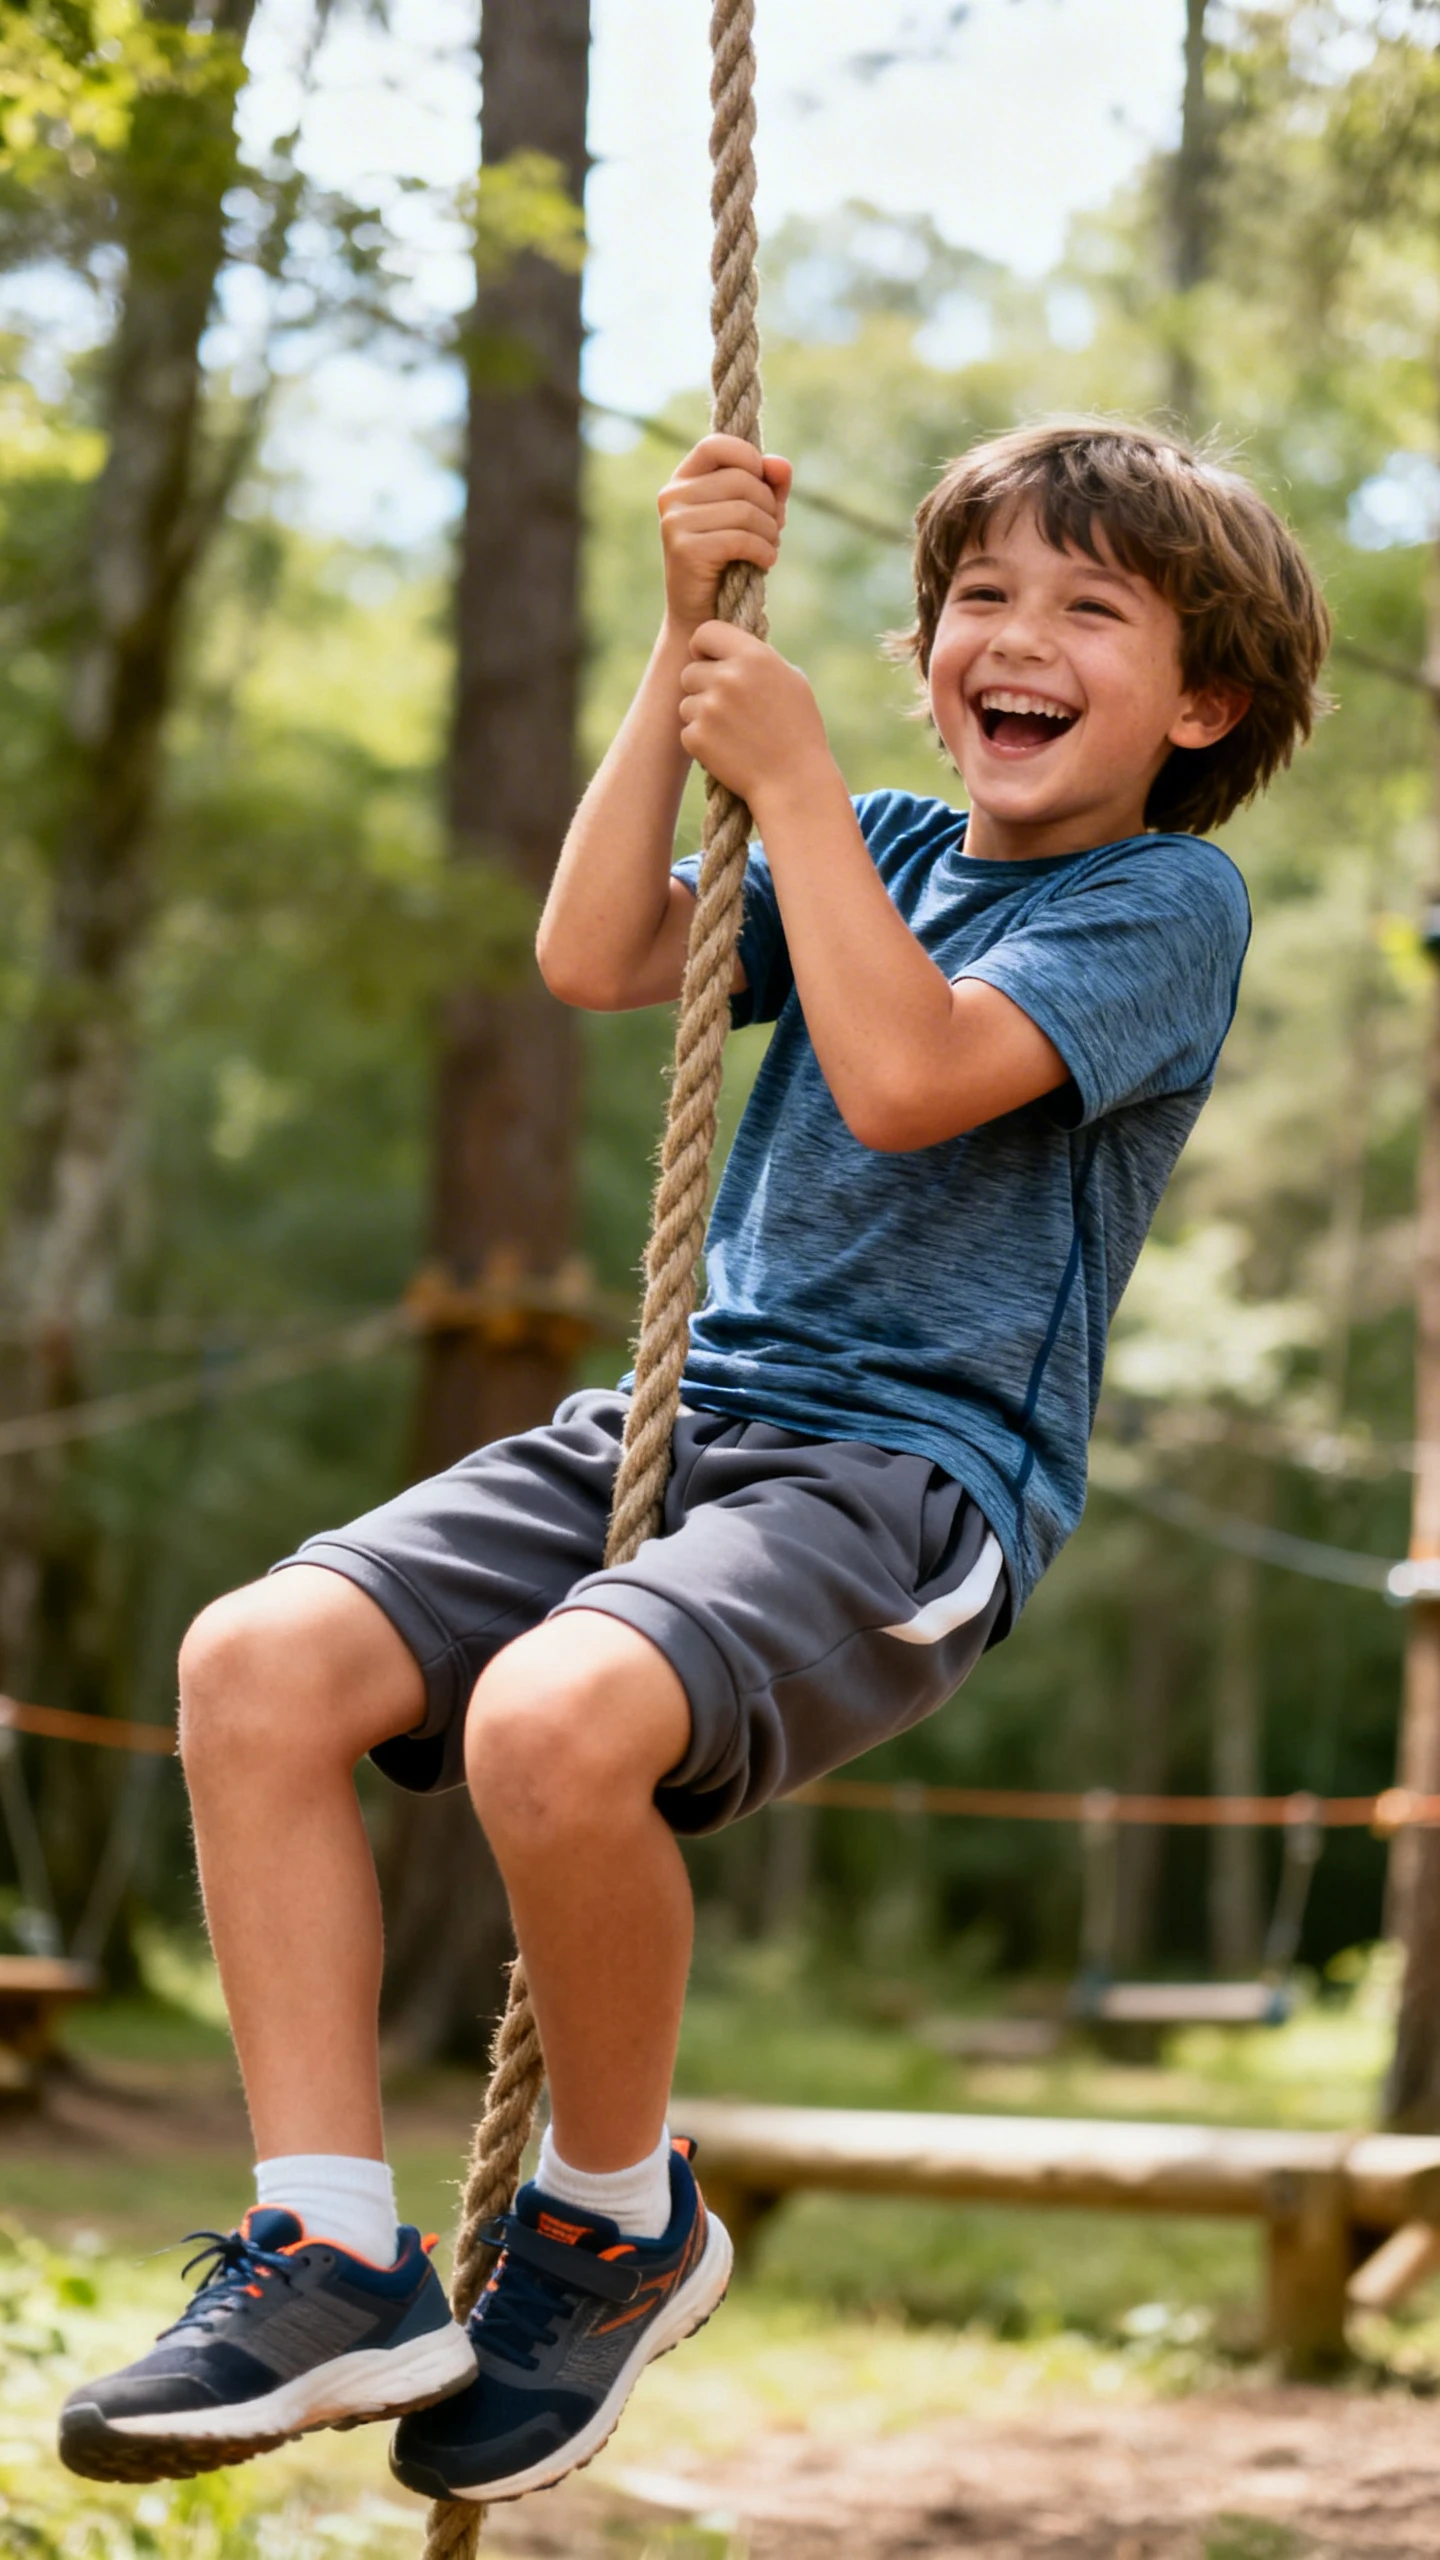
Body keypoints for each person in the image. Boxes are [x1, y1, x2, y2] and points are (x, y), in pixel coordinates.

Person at [59, 418, 1330, 2500]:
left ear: (1202, 701)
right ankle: (329, 2244)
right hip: (691, 1415)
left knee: (557, 1720)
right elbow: (596, 952)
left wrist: (806, 785)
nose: (1014, 635)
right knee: (250, 1664)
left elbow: (915, 1075)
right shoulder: (887, 838)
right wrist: (679, 652)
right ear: (928, 652)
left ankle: (615, 2209)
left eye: (1090, 608)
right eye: (979, 600)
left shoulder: (1164, 898)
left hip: (908, 1474)